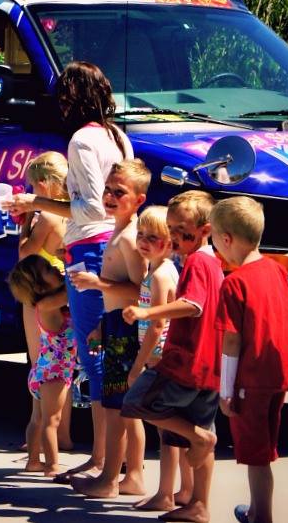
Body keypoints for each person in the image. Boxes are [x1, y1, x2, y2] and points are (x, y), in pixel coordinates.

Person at [4, 61, 133, 481]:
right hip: (114, 243)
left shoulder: (80, 140)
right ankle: (112, 462)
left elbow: (92, 206)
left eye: (63, 96)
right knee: (115, 357)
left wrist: (35, 203)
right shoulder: (118, 137)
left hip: (89, 250)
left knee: (96, 358)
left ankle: (102, 464)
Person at [121, 190, 223, 523]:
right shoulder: (213, 262)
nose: (177, 237)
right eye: (173, 229)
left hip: (186, 361)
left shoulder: (196, 262)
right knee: (192, 427)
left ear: (205, 230)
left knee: (136, 403)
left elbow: (192, 306)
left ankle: (198, 439)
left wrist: (148, 313)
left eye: (184, 231)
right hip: (210, 364)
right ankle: (199, 504)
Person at [210, 196, 288, 523]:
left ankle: (262, 516)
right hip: (279, 376)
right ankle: (257, 511)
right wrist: (287, 363)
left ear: (227, 239)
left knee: (256, 458)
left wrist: (225, 391)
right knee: (265, 453)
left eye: (215, 240)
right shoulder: (276, 270)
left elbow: (231, 339)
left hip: (250, 381)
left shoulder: (234, 283)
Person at [69, 159, 149, 499]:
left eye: (120, 192)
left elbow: (138, 291)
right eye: (107, 190)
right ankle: (133, 477)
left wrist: (95, 283)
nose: (110, 196)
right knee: (125, 409)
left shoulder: (130, 240)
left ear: (139, 200)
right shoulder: (117, 232)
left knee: (118, 409)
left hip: (127, 330)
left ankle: (110, 480)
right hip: (114, 326)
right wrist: (102, 323)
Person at [6, 152, 72, 452]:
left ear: (44, 184)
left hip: (39, 295)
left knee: (41, 366)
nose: (29, 191)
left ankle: (41, 435)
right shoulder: (69, 211)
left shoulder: (45, 215)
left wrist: (26, 218)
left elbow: (25, 254)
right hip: (61, 292)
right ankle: (63, 434)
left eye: (31, 186)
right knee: (64, 369)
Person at [126, 206, 190, 513]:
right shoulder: (155, 271)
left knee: (167, 429)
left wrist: (139, 365)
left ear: (170, 243)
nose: (144, 241)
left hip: (159, 359)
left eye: (154, 237)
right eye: (141, 234)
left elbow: (157, 325)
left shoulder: (162, 275)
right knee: (176, 428)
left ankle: (165, 493)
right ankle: (186, 489)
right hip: (162, 357)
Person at [8, 254, 76, 475]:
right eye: (48, 268)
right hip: (54, 372)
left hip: (42, 370)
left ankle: (33, 461)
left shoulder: (44, 302)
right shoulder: (48, 304)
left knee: (37, 419)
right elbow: (72, 291)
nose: (54, 268)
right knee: (51, 421)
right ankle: (52, 465)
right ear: (39, 285)